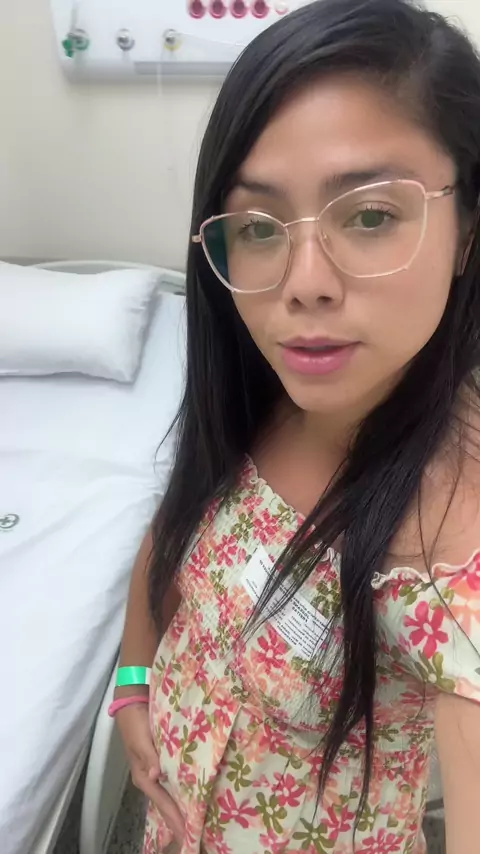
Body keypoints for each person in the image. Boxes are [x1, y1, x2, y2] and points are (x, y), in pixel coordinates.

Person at [112, 1, 480, 851]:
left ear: (467, 230)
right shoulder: (264, 389)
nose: (304, 282)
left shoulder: (451, 560)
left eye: (371, 214)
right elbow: (175, 525)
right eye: (258, 226)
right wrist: (134, 682)